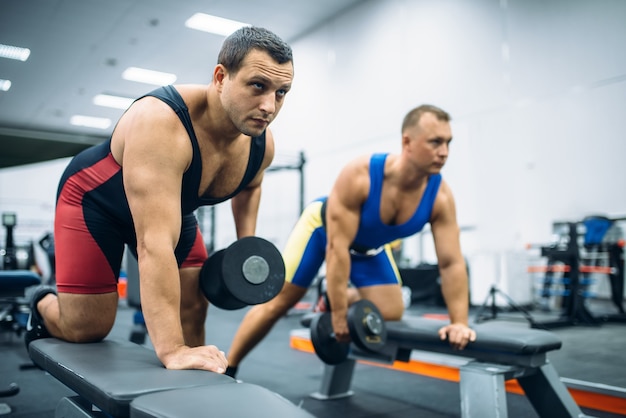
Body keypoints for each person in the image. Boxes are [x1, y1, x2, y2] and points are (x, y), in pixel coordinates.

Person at [24, 26, 294, 374]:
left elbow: (250, 186)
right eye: (258, 85)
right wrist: (172, 350)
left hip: (170, 208)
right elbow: (153, 245)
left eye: (281, 92)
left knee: (193, 308)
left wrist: (247, 247)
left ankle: (195, 396)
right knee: (88, 328)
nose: (269, 105)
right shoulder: (162, 122)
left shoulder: (260, 145)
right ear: (220, 77)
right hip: (95, 201)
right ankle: (41, 302)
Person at [225, 104, 476, 378]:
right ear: (408, 142)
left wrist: (459, 323)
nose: (444, 152)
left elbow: (451, 263)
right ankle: (229, 366)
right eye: (435, 142)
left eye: (448, 143)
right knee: (279, 302)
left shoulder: (440, 197)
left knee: (393, 309)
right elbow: (337, 248)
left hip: (369, 248)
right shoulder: (362, 175)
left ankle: (333, 294)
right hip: (323, 231)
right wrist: (340, 315)